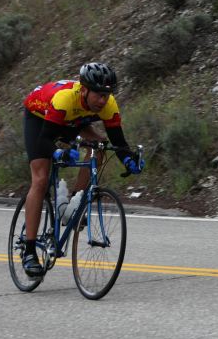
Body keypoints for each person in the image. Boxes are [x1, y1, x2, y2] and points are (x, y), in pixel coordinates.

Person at [20, 62, 143, 276]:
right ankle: (29, 250)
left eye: (107, 94)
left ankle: (74, 203)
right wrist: (59, 152)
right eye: (98, 94)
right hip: (41, 119)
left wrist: (129, 159)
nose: (103, 100)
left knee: (101, 146)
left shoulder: (107, 104)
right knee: (40, 179)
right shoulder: (65, 98)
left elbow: (119, 142)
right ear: (84, 89)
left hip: (75, 119)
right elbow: (44, 141)